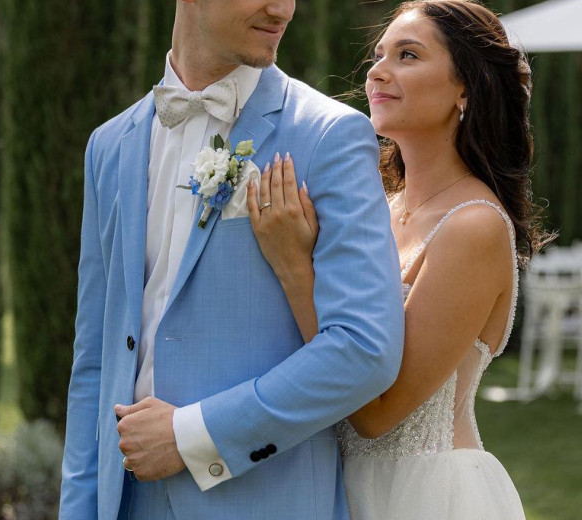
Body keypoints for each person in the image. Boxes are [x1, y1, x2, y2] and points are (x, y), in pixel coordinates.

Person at [59, 0, 405, 518]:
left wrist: (192, 437)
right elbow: (95, 359)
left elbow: (364, 347)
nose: (283, 9)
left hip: (262, 500)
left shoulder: (329, 136)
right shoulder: (108, 146)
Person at [246, 1, 553, 518]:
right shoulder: (376, 209)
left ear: (466, 88)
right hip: (334, 488)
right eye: (378, 55)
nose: (377, 72)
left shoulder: (473, 227)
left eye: (407, 55)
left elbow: (377, 413)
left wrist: (296, 268)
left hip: (426, 496)